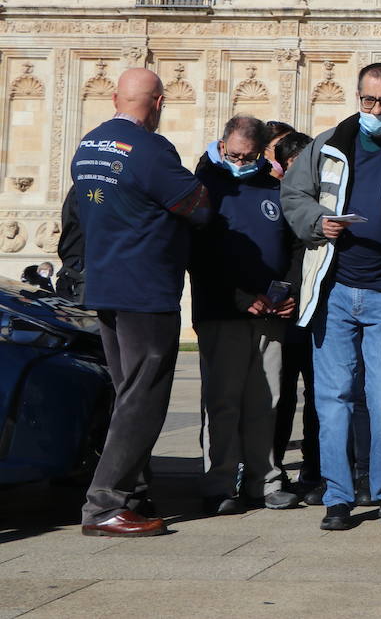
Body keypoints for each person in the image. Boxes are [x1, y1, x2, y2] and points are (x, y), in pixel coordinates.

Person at [281, 62, 381, 532]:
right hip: (333, 289)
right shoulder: (329, 144)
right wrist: (318, 221)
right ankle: (337, 496)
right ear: (358, 98)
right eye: (369, 101)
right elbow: (293, 194)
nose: (377, 109)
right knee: (333, 397)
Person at [73, 68, 211, 537]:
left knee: (127, 390)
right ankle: (104, 504)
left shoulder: (89, 144)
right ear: (158, 103)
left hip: (106, 283)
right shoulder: (151, 151)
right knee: (143, 397)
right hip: (145, 286)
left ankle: (131, 492)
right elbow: (198, 206)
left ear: (116, 97)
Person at [191, 116, 299, 515]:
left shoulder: (273, 188)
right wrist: (237, 296)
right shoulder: (204, 189)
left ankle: (265, 480)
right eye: (232, 154)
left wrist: (290, 292)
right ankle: (220, 483)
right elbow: (196, 255)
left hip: (270, 313)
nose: (238, 161)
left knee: (266, 399)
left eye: (247, 156)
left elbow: (293, 248)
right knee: (223, 402)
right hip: (223, 312)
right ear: (221, 146)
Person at [270, 130, 323, 504]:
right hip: (288, 308)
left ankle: (315, 467)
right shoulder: (278, 203)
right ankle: (272, 467)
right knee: (282, 392)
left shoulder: (325, 203)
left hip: (318, 309)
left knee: (321, 394)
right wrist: (284, 291)